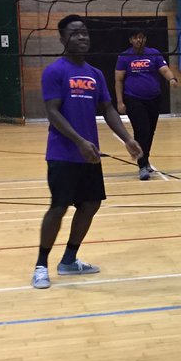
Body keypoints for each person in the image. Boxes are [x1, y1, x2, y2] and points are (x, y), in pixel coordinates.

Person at [33, 15, 141, 289]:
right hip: (63, 154)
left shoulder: (95, 74)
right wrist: (79, 141)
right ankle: (41, 265)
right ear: (62, 39)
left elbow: (107, 109)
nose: (81, 37)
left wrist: (127, 139)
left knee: (91, 204)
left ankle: (69, 260)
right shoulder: (54, 71)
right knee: (58, 207)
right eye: (74, 33)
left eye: (84, 32)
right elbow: (53, 112)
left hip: (89, 155)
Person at [115, 29, 178, 180]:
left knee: (150, 132)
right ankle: (142, 165)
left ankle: (146, 159)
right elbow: (119, 79)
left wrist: (171, 78)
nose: (139, 40)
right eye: (136, 38)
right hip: (133, 98)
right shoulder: (124, 56)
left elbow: (164, 70)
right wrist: (120, 102)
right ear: (131, 40)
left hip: (154, 99)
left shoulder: (154, 53)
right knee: (141, 130)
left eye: (141, 37)